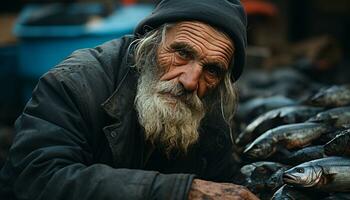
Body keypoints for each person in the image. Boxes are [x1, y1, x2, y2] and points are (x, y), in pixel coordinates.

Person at [0, 0, 259, 199]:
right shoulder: (75, 83)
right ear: (150, 42)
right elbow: (37, 178)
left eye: (212, 70)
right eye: (181, 52)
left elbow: (225, 181)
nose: (190, 81)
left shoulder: (208, 104)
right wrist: (181, 192)